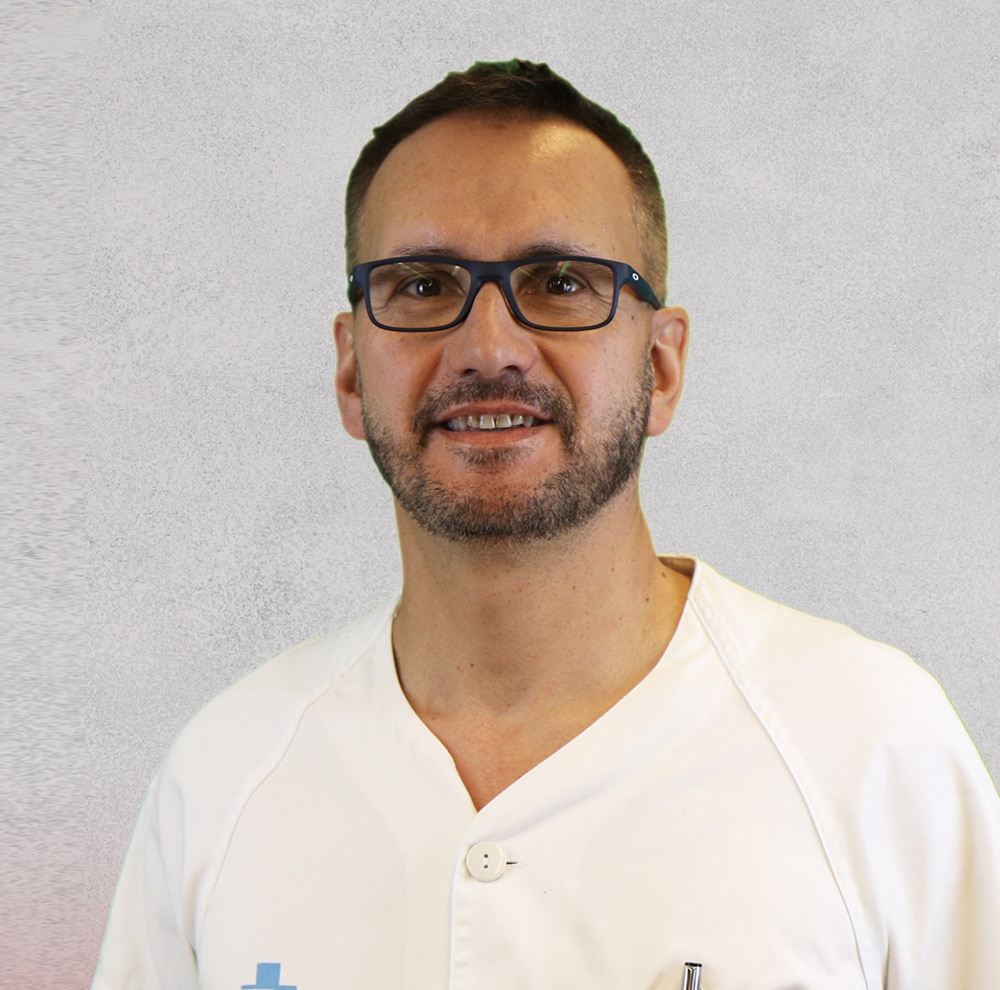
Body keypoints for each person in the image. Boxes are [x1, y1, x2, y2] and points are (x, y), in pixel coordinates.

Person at [93, 60, 1000, 990]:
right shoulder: (224, 778)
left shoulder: (871, 752)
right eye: (421, 286)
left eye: (562, 281)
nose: (488, 347)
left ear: (661, 367)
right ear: (352, 371)